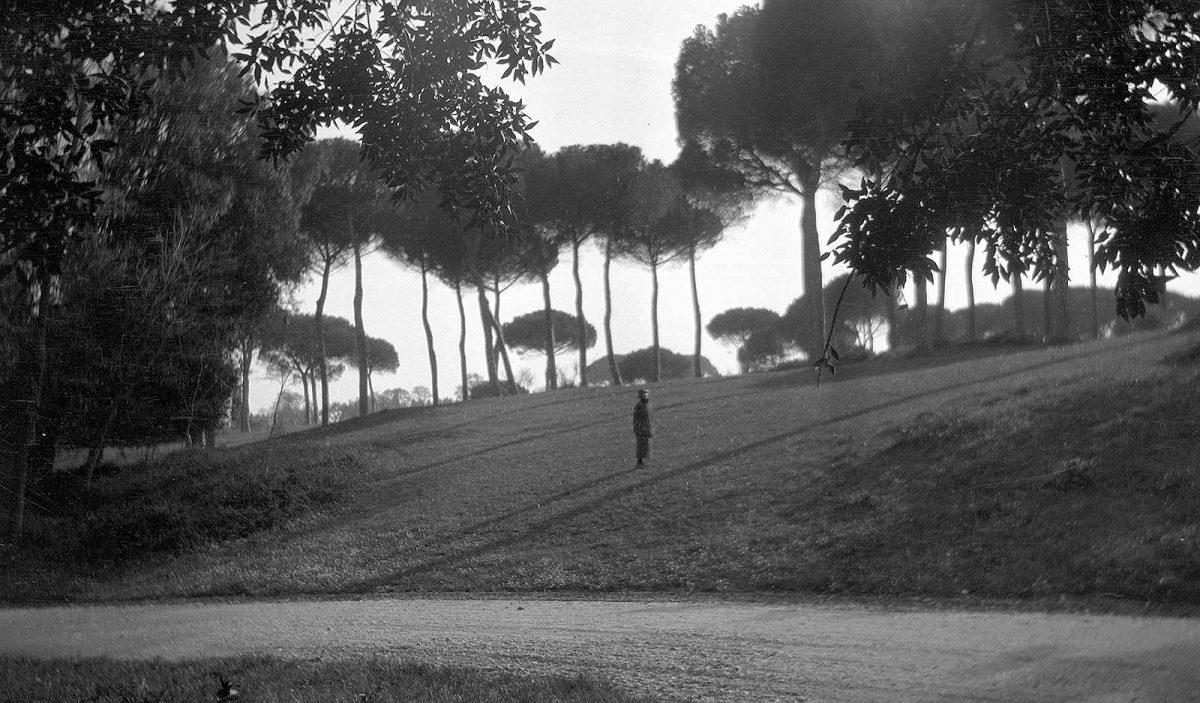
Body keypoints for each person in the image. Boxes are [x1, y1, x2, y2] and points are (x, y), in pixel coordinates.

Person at [633, 389, 652, 466]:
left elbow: (649, 417)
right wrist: (638, 427)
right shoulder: (639, 406)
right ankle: (639, 462)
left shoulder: (646, 405)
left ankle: (642, 461)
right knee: (641, 444)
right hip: (641, 427)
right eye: (644, 394)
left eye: (646, 394)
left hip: (646, 426)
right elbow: (636, 417)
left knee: (645, 444)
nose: (646, 395)